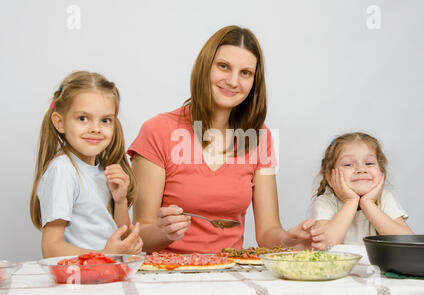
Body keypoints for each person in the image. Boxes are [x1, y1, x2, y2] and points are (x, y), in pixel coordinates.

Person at [128, 25, 315, 254]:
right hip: (168, 276)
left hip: (231, 273)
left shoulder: (260, 137)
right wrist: (163, 232)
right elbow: (141, 235)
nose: (233, 81)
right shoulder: (157, 131)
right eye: (224, 67)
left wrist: (288, 241)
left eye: (245, 73)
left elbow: (268, 231)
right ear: (205, 67)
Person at [30, 71, 143, 258]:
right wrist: (105, 255)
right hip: (80, 281)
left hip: (105, 276)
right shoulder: (64, 170)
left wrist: (120, 201)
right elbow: (51, 248)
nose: (96, 128)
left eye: (105, 120)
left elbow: (120, 238)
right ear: (60, 123)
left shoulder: (102, 170)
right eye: (83, 118)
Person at [308, 132, 413, 249]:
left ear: (381, 171)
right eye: (348, 164)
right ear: (330, 177)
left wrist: (368, 203)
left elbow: (406, 243)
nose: (361, 169)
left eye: (369, 163)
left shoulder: (384, 199)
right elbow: (325, 244)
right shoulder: (327, 201)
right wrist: (350, 201)